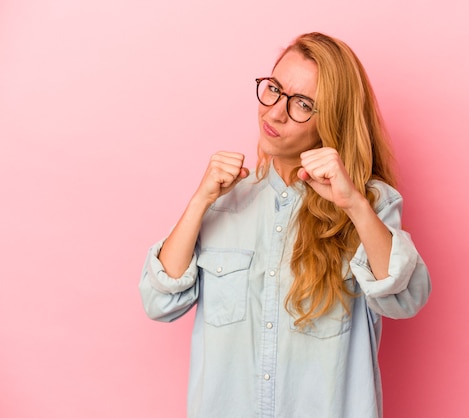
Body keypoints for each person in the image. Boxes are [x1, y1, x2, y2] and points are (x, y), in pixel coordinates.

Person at [139, 32, 431, 418]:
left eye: (303, 104)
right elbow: (159, 301)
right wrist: (199, 202)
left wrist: (353, 205)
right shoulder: (224, 201)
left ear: (333, 121)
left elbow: (406, 298)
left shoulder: (371, 204)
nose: (275, 112)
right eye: (274, 89)